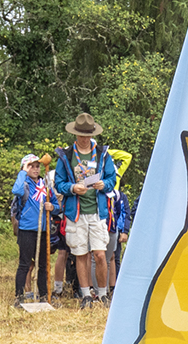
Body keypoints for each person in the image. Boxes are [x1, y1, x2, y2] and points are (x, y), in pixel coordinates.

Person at [55, 113, 118, 310]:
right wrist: (73, 188)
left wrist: (104, 184)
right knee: (80, 253)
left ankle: (102, 294)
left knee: (100, 254)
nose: (84, 139)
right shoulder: (66, 156)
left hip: (98, 211)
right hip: (76, 212)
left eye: (87, 135)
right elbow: (59, 183)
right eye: (80, 135)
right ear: (75, 134)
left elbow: (112, 179)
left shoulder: (102, 154)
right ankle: (85, 295)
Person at [11, 152, 53, 306]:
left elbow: (56, 205)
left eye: (37, 166)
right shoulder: (24, 184)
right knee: (25, 263)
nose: (35, 169)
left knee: (43, 264)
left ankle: (43, 295)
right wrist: (23, 171)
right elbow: (17, 191)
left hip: (43, 230)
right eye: (31, 166)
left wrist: (52, 206)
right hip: (27, 229)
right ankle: (19, 296)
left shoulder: (45, 185)